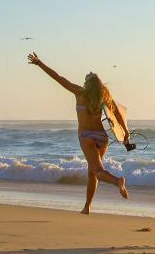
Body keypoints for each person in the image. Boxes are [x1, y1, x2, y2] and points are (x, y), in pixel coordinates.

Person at [27, 52, 130, 214]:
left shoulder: (79, 93)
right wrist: (126, 132)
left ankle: (117, 181)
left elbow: (58, 77)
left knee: (97, 171)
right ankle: (87, 206)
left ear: (87, 84)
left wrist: (39, 63)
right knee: (92, 172)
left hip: (86, 137)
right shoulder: (106, 98)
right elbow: (118, 115)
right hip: (102, 138)